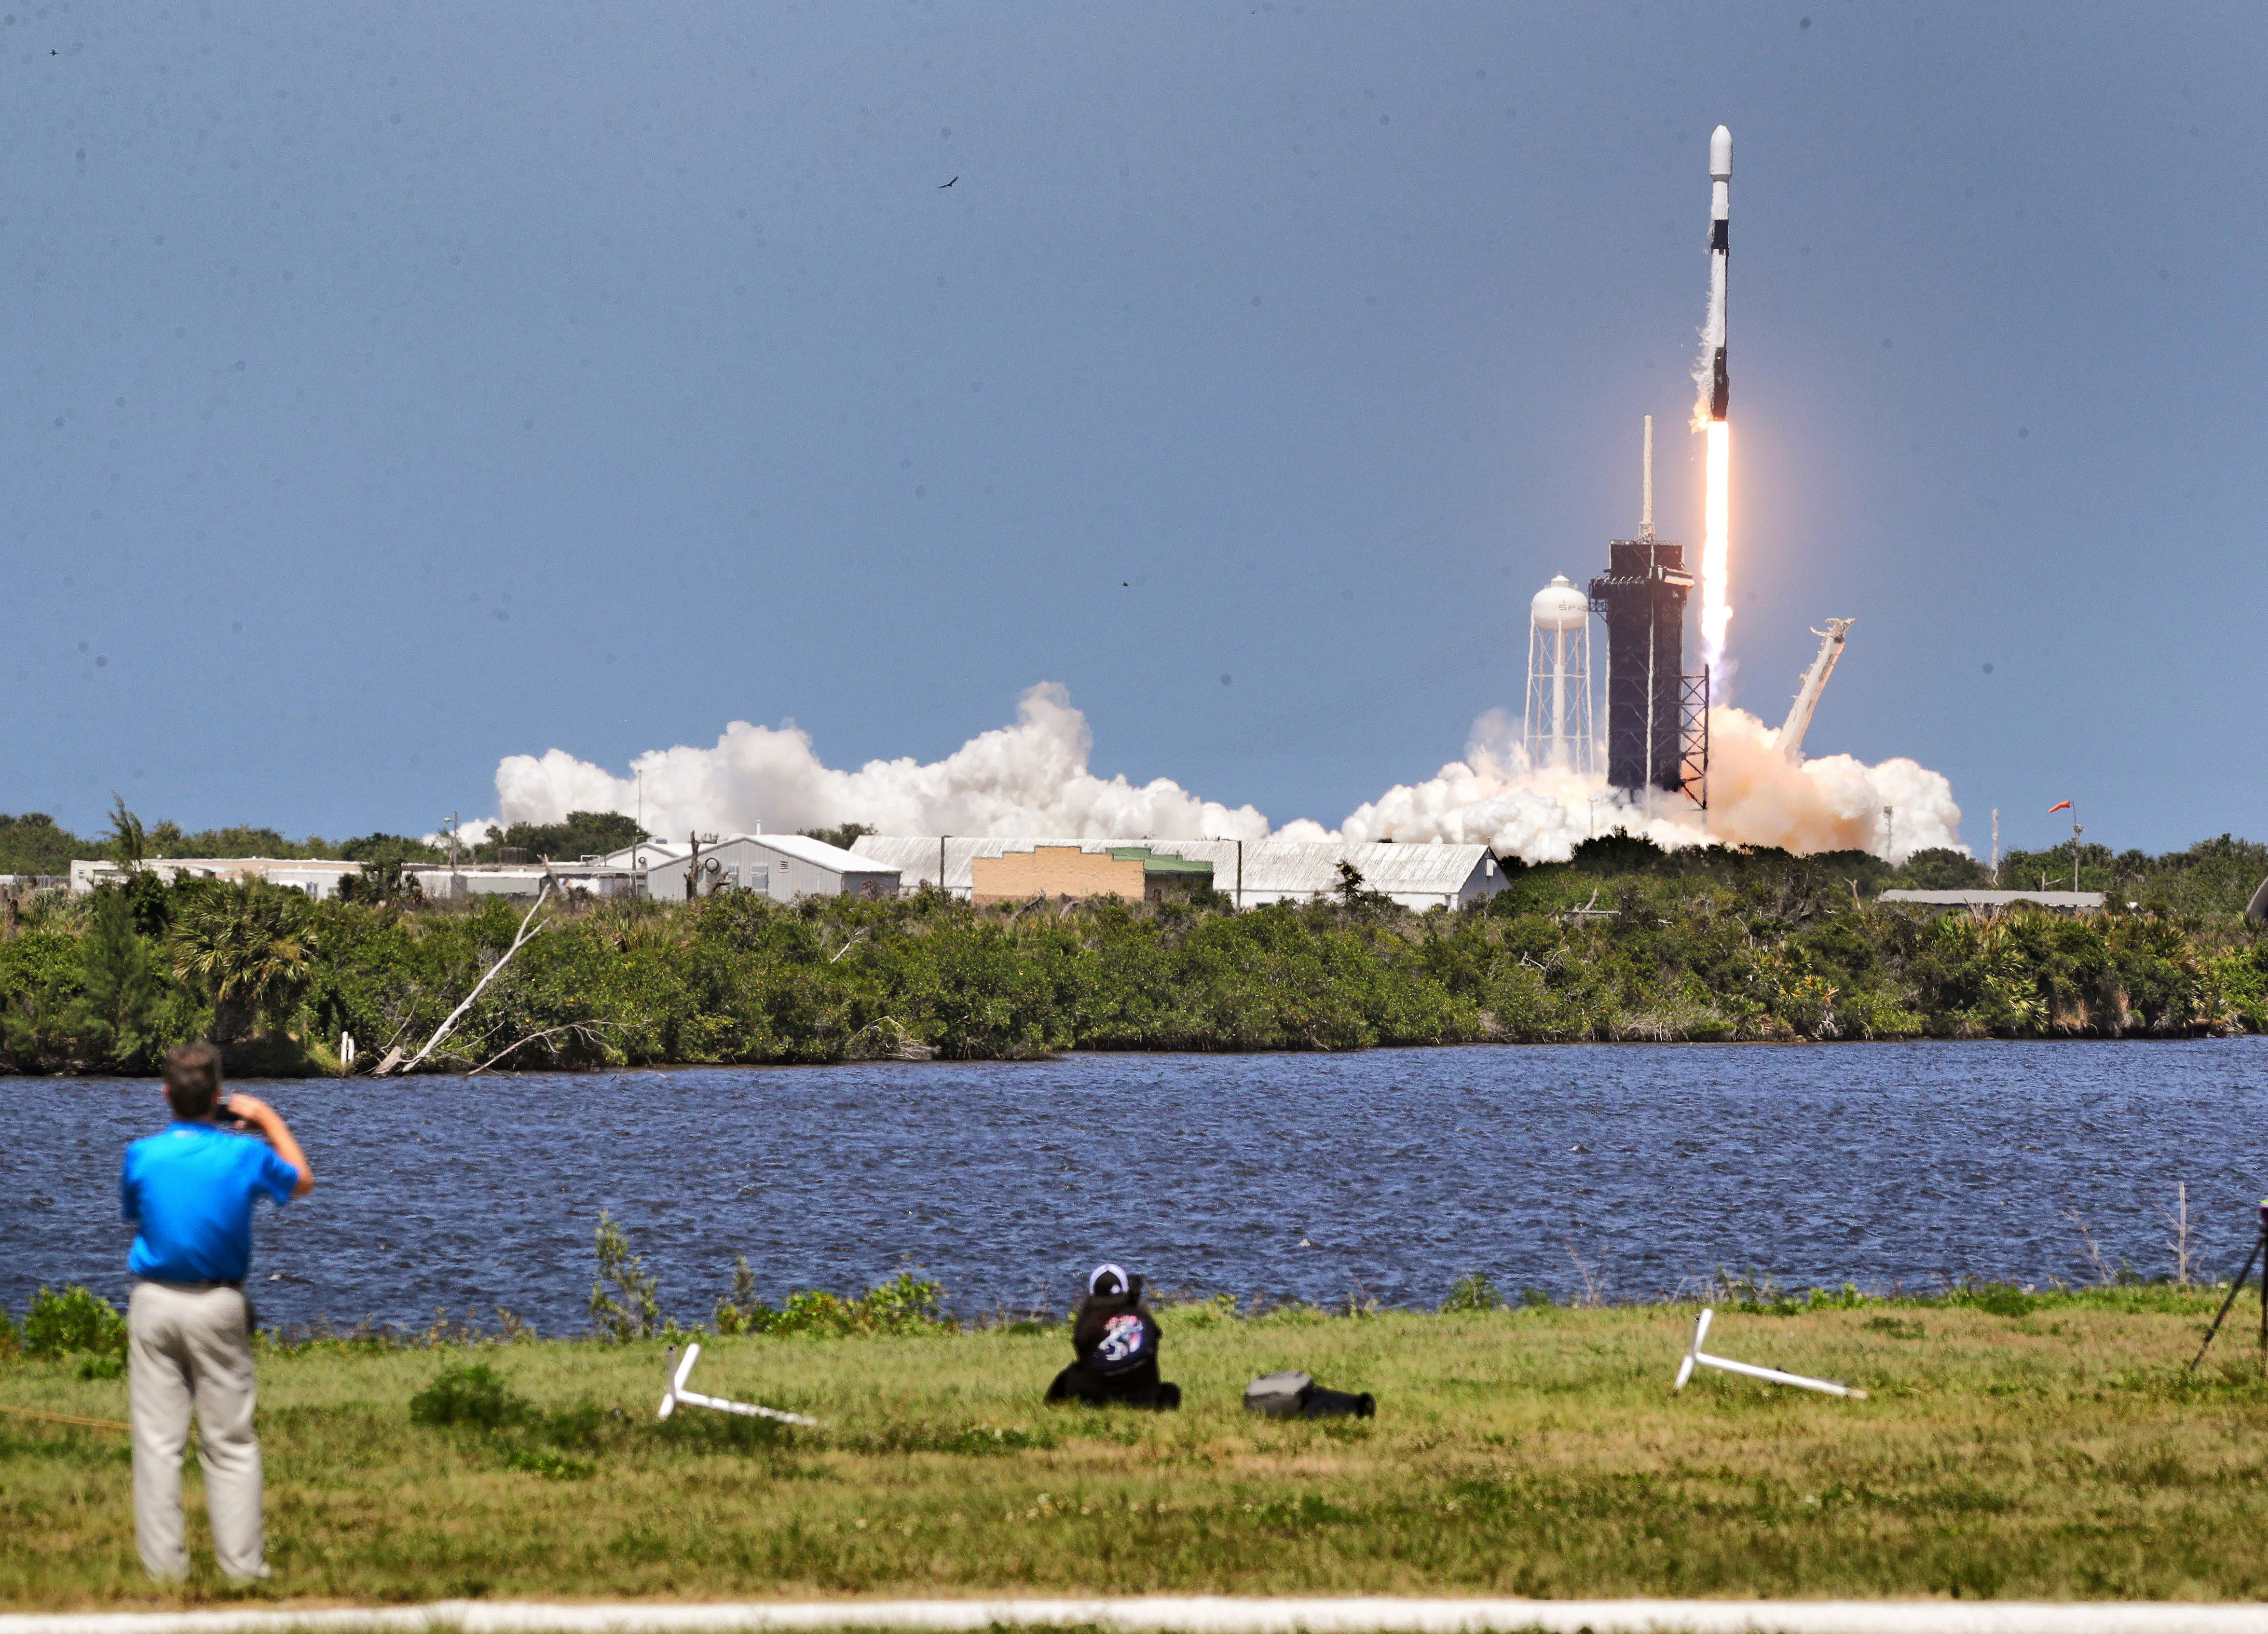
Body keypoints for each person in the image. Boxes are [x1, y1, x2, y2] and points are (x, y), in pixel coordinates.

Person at [119, 1043, 314, 1583]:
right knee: (229, 1441)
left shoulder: (141, 1154)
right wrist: (267, 1120)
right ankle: (243, 1569)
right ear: (217, 1097)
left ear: (166, 1096)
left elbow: (136, 1210)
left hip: (154, 1300)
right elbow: (301, 1180)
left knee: (158, 1444)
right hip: (220, 1302)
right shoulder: (244, 1154)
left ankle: (163, 1572)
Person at [1045, 1262, 1180, 1410]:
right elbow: (1155, 1339)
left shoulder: (1086, 1325)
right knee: (1171, 1391)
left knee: (1070, 1375)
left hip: (1098, 1399)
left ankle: (1050, 1405)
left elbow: (1082, 1352)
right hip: (1144, 1397)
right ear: (1127, 1291)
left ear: (1092, 1292)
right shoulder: (1143, 1318)